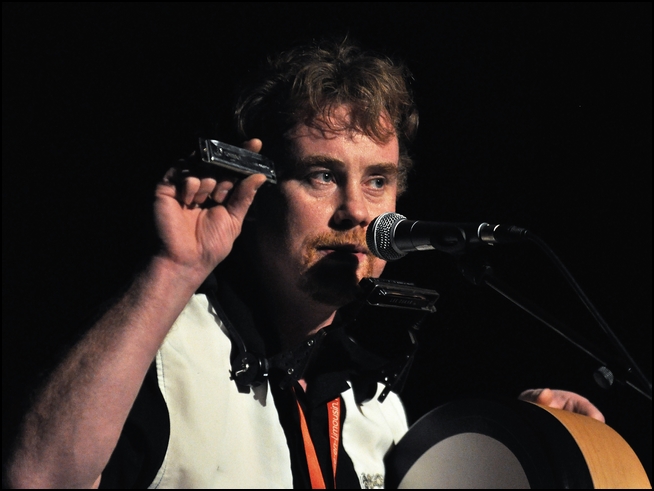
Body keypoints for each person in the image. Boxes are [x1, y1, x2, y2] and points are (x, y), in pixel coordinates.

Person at [4, 37, 604, 489]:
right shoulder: (166, 351)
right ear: (257, 191)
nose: (356, 211)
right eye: (322, 175)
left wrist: (527, 433)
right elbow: (38, 480)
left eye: (377, 181)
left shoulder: (378, 411)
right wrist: (172, 271)